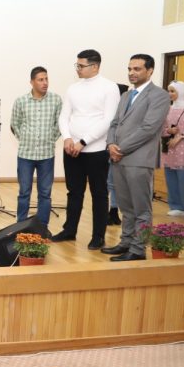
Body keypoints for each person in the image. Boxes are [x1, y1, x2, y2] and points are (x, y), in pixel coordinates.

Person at [102, 54, 170, 262]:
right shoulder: (126, 95)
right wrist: (110, 144)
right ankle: (126, 242)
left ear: (150, 71)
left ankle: (138, 249)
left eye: (137, 69)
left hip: (139, 159)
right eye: (130, 69)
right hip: (119, 158)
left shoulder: (159, 95)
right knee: (125, 206)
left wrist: (120, 148)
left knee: (141, 208)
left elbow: (149, 128)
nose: (132, 73)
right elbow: (114, 123)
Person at [53, 50, 120, 249]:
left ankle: (98, 236)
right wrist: (67, 138)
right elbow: (64, 116)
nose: (78, 69)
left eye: (81, 66)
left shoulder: (109, 88)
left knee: (99, 193)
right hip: (71, 149)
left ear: (95, 66)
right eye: (77, 65)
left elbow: (109, 120)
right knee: (74, 192)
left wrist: (83, 142)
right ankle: (69, 230)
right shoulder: (73, 88)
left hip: (96, 150)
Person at [10, 66, 62, 226]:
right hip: (25, 155)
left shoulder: (56, 100)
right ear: (32, 82)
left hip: (47, 154)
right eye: (40, 80)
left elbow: (59, 124)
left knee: (45, 193)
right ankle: (21, 226)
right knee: (24, 192)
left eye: (46, 79)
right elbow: (15, 124)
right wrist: (25, 138)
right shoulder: (21, 101)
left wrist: (50, 139)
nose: (45, 83)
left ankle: (42, 226)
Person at [160, 81, 184, 216]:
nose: (170, 94)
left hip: (182, 149)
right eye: (168, 91)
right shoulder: (168, 109)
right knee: (171, 177)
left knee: (183, 178)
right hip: (170, 149)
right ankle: (176, 206)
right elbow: (162, 128)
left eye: (173, 91)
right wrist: (169, 131)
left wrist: (180, 136)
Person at [107, 83, 130, 226]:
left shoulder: (127, 109)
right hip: (106, 148)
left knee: (115, 183)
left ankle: (114, 210)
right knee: (108, 183)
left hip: (120, 150)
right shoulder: (108, 108)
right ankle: (107, 211)